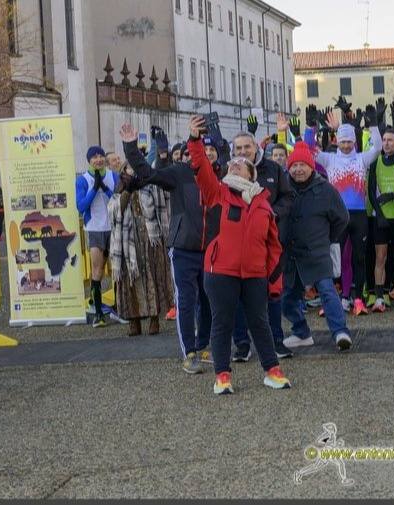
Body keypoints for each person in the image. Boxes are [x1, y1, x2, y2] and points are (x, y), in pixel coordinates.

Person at [186, 115, 290, 395]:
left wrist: (274, 282)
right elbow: (200, 167)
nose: (236, 164)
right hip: (220, 272)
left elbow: (274, 247)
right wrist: (195, 140)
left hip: (255, 273)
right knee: (223, 322)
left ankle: (272, 369)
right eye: (232, 162)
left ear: (251, 174)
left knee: (260, 321)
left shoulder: (263, 203)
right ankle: (222, 374)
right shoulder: (217, 192)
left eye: (242, 165)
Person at [121, 124, 215, 375]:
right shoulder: (178, 174)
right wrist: (131, 147)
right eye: (188, 153)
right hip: (183, 248)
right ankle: (189, 352)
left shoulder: (215, 174)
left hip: (210, 248)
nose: (193, 156)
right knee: (186, 300)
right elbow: (146, 172)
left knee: (208, 300)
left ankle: (203, 344)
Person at [228, 129, 295, 361]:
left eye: (247, 147)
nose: (243, 151)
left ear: (256, 147)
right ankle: (242, 345)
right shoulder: (229, 174)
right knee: (237, 295)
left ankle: (277, 341)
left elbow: (288, 197)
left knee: (273, 293)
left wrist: (272, 214)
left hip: (269, 244)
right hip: (238, 246)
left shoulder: (273, 170)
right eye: (238, 148)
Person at [281, 142, 353, 351]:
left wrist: (326, 238)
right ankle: (301, 332)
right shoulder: (283, 187)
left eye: (303, 165)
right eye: (294, 165)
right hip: (290, 253)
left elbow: (342, 218)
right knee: (287, 297)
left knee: (327, 291)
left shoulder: (326, 189)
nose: (298, 170)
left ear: (312, 166)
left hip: (317, 251)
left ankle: (340, 332)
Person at [314, 99, 383, 315]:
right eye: (342, 142)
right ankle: (335, 299)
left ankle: (357, 299)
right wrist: (311, 127)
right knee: (334, 259)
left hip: (359, 216)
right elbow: (308, 151)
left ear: (354, 142)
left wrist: (373, 125)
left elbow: (378, 147)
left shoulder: (362, 159)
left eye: (349, 142)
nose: (345, 145)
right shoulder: (330, 160)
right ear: (337, 141)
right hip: (337, 217)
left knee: (359, 258)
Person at [107, 160, 173, 336]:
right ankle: (133, 321)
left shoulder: (151, 188)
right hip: (128, 244)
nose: (133, 171)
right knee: (130, 282)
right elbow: (114, 212)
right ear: (124, 172)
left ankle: (153, 319)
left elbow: (163, 205)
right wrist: (128, 191)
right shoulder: (119, 191)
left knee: (152, 277)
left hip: (149, 240)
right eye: (130, 168)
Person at [367, 128, 394, 313]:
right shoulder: (375, 162)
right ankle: (379, 297)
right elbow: (371, 191)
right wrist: (380, 214)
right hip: (382, 219)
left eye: (390, 140)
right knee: (380, 258)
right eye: (384, 140)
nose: (386, 143)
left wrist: (393, 195)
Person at [76, 145, 117, 328]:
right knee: (97, 269)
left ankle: (119, 308)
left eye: (101, 155)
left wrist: (105, 188)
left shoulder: (112, 175)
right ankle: (98, 312)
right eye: (94, 157)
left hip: (114, 227)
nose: (98, 159)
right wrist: (94, 189)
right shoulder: (82, 180)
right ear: (89, 160)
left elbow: (118, 199)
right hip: (94, 228)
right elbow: (81, 206)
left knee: (117, 269)